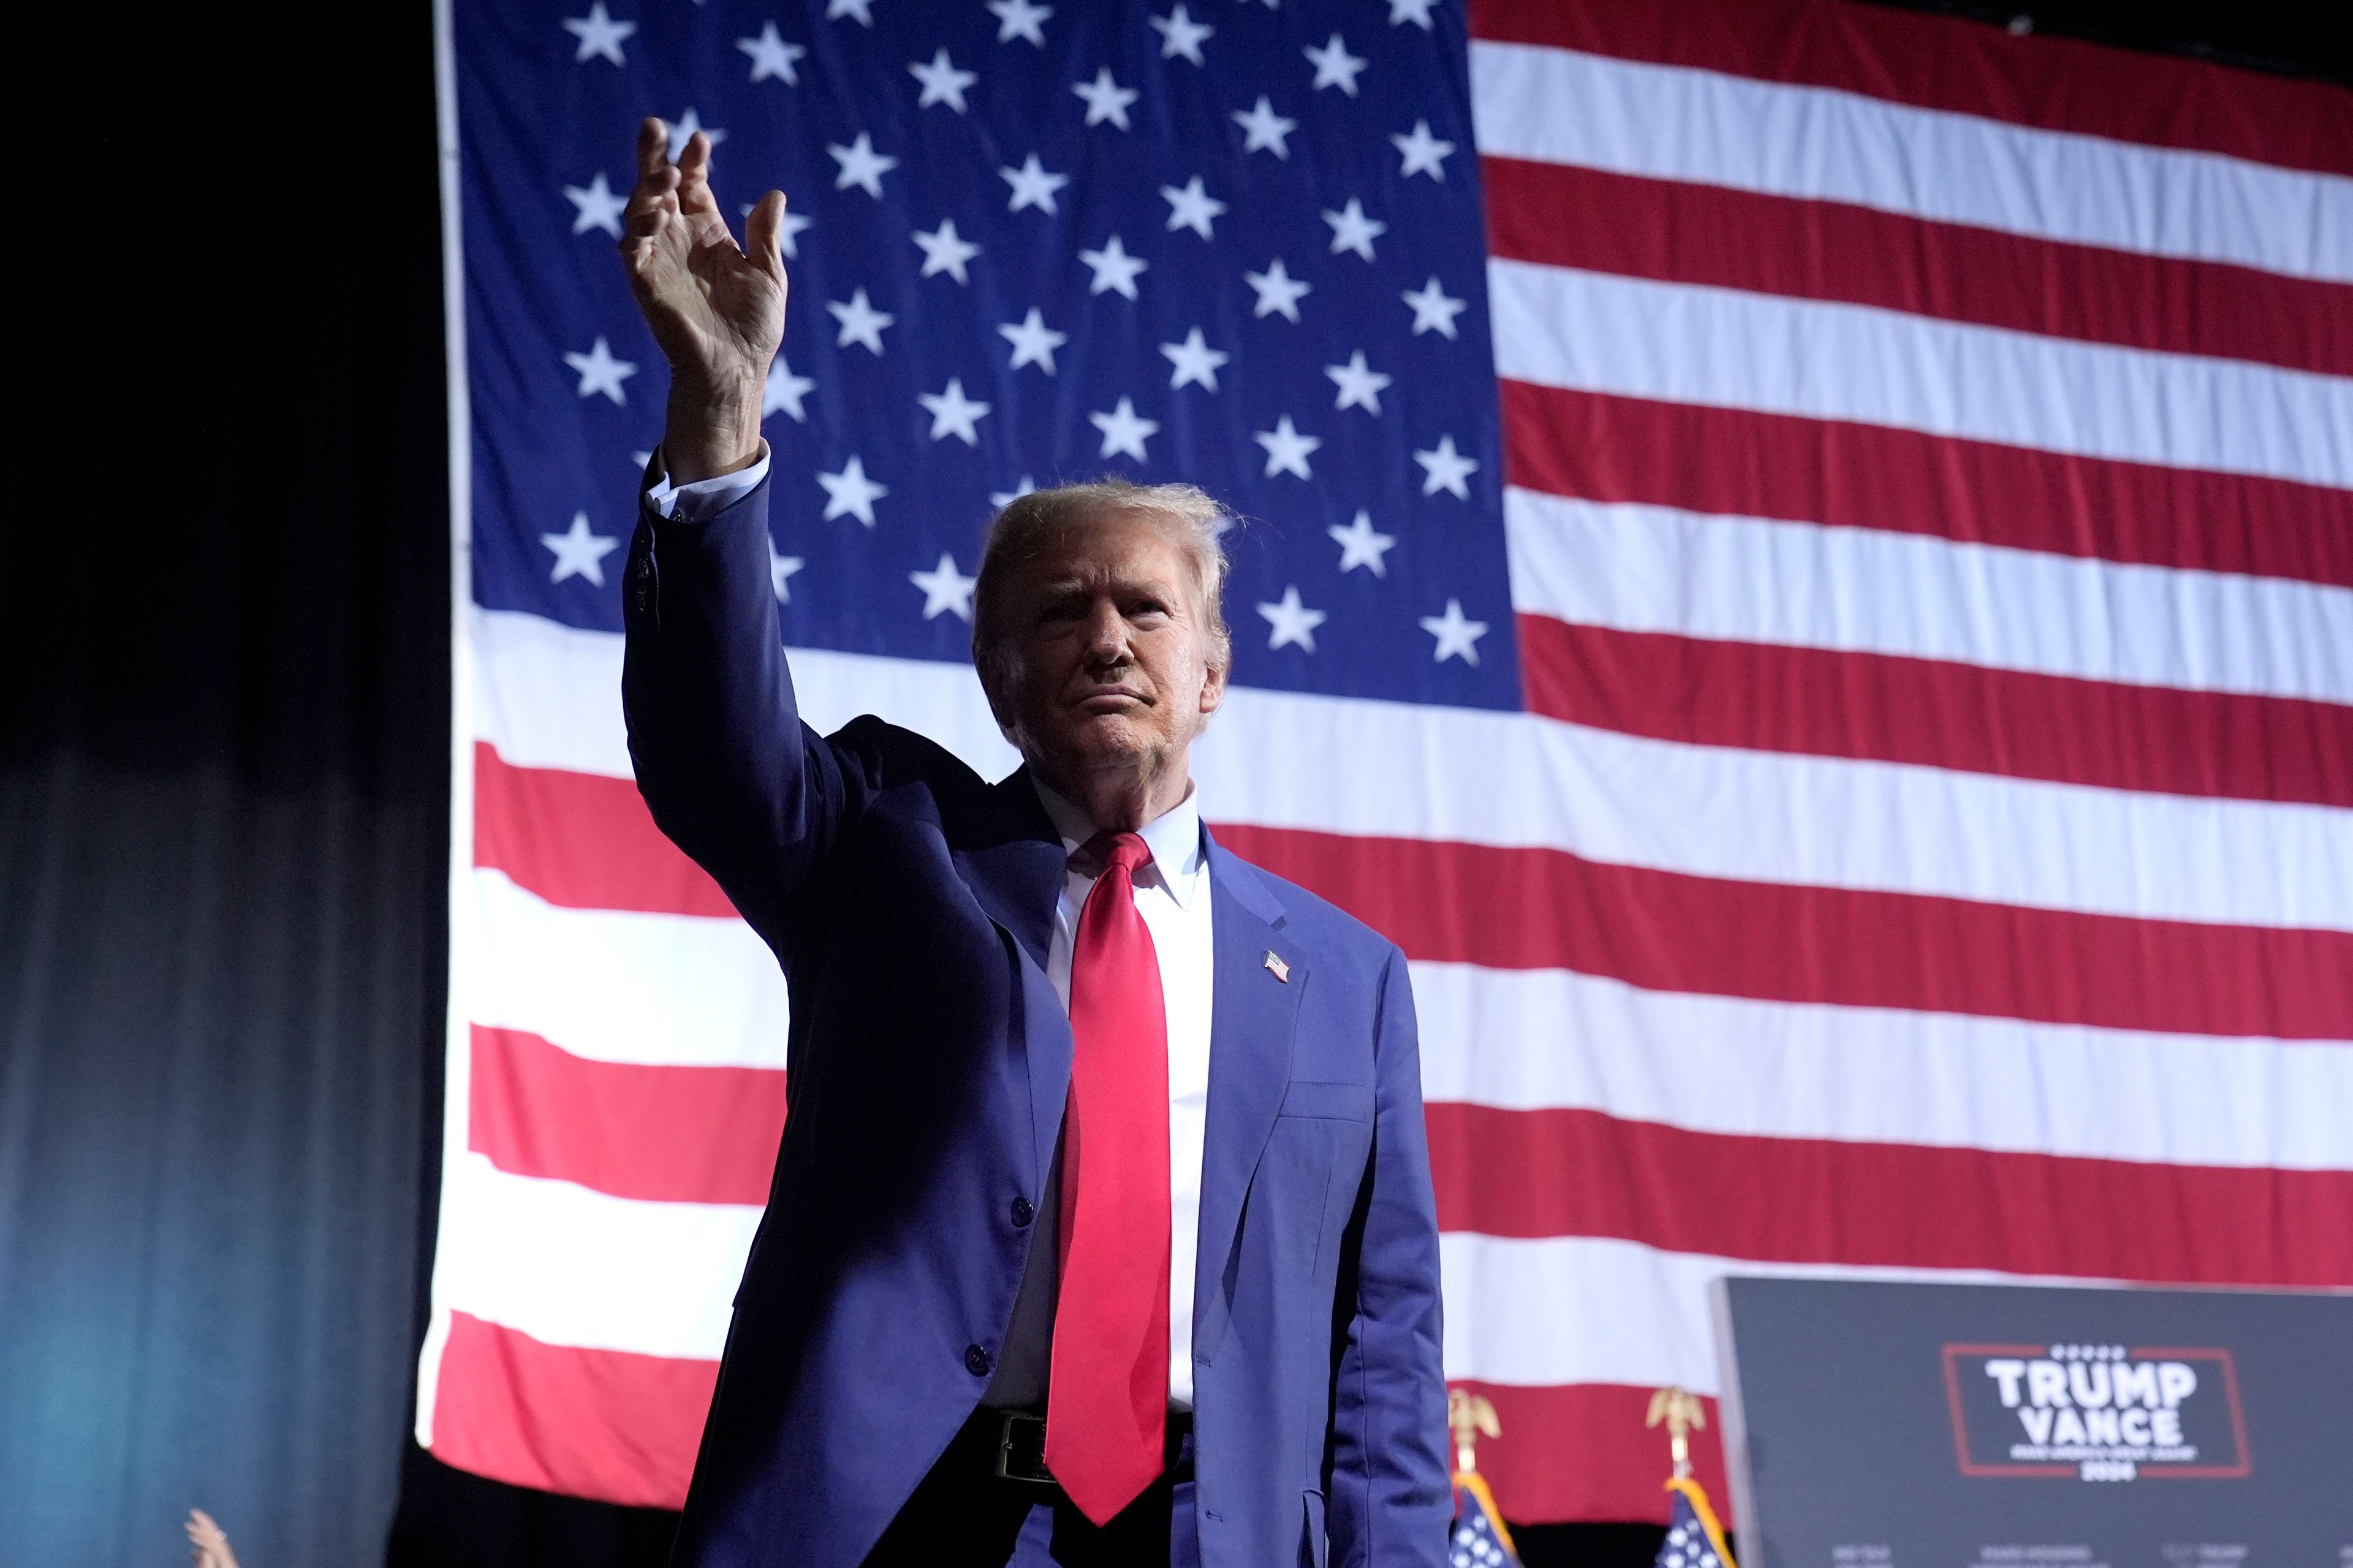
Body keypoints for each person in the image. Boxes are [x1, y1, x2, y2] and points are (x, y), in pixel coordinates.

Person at [615, 118, 1449, 1568]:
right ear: (1001, 674)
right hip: (916, 1527)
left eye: (1144, 608)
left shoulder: (1346, 977)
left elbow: (1383, 1349)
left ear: (1212, 676)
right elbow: (712, 747)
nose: (1106, 637)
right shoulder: (887, 845)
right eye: (1061, 612)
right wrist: (720, 419)